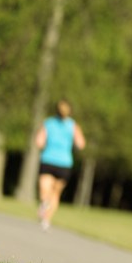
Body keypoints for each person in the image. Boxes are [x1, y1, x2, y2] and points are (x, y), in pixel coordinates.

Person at [35, 99, 86, 231]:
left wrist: (46, 144)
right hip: (64, 162)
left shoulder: (49, 123)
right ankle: (46, 220)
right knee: (55, 194)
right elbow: (81, 143)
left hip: (48, 159)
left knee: (44, 189)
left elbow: (39, 142)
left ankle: (44, 204)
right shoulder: (72, 125)